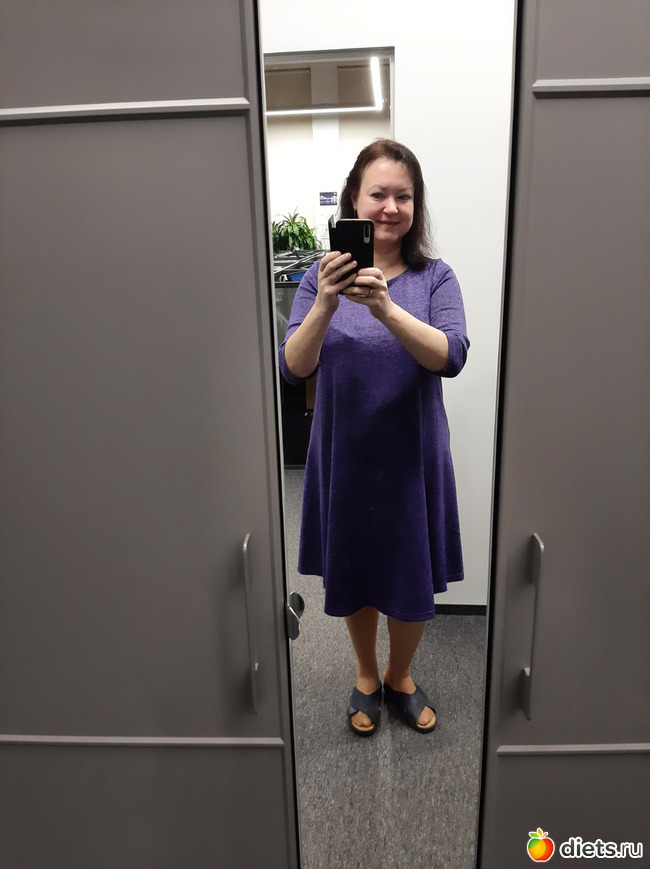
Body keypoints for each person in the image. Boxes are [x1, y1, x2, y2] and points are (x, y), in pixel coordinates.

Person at [278, 140, 469, 736]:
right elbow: (293, 367)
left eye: (403, 196)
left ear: (416, 205)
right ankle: (366, 674)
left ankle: (399, 676)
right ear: (354, 202)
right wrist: (325, 303)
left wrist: (385, 308)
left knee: (410, 573)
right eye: (378, 194)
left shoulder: (435, 277)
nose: (390, 207)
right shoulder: (318, 279)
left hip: (412, 458)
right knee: (356, 569)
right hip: (346, 456)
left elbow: (451, 355)